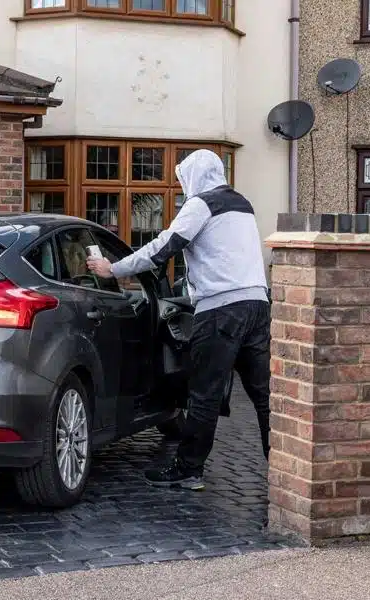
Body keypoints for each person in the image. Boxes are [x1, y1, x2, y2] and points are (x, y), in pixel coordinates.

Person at [86, 149, 270, 491]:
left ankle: (188, 469)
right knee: (265, 395)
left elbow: (162, 247)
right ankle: (283, 470)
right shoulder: (242, 204)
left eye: (183, 178)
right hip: (258, 305)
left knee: (205, 393)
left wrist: (113, 268)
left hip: (220, 311)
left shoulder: (201, 204)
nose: (182, 185)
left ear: (193, 176)